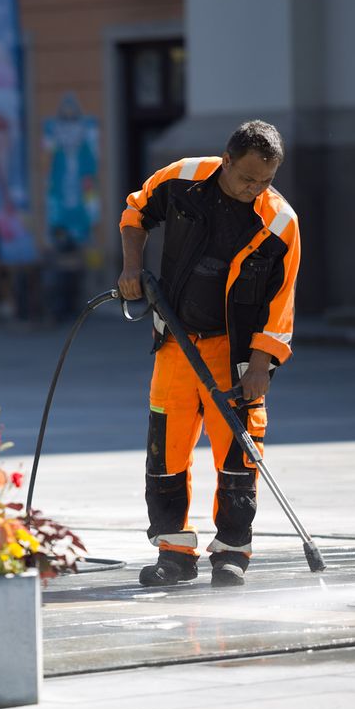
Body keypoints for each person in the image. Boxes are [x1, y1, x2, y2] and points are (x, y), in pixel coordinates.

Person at [117, 120, 300, 589]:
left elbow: (282, 301)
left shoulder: (280, 222)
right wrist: (132, 268)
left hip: (234, 357)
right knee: (167, 450)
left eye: (266, 181)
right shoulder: (184, 178)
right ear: (227, 160)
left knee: (239, 453)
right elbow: (137, 211)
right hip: (176, 343)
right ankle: (174, 551)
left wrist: (261, 365)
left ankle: (232, 552)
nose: (254, 188)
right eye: (247, 178)